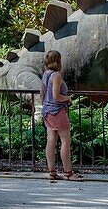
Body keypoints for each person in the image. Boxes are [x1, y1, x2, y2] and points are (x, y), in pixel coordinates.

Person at [40, 50, 83, 183]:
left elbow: (42, 95)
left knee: (51, 141)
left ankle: (52, 172)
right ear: (58, 61)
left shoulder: (45, 75)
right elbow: (56, 96)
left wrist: (46, 106)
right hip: (57, 111)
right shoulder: (56, 76)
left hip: (47, 111)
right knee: (65, 141)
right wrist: (68, 98)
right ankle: (68, 173)